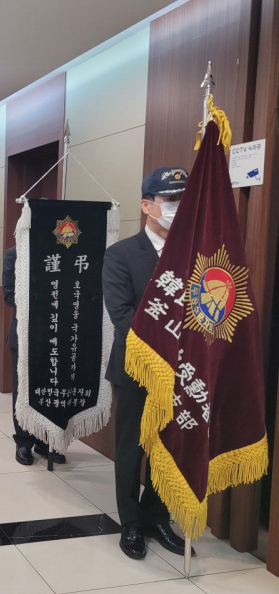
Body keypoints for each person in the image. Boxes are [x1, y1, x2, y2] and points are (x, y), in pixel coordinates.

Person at [103, 166, 192, 560]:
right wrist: (163, 348)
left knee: (167, 446)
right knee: (132, 447)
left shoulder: (193, 254)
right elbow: (122, 315)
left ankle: (157, 517)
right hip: (136, 369)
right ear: (146, 206)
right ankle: (131, 523)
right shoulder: (121, 254)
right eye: (170, 200)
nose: (177, 208)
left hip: (181, 372)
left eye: (182, 201)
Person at [2, 246, 66, 466]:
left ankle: (44, 440)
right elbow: (9, 296)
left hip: (54, 334)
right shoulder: (15, 253)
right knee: (23, 390)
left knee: (49, 387)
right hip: (24, 334)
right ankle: (23, 441)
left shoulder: (60, 252)